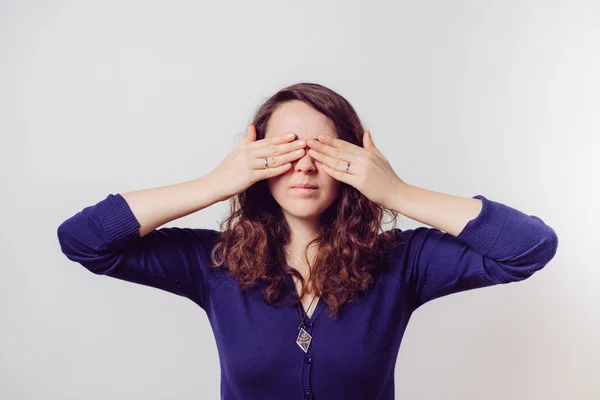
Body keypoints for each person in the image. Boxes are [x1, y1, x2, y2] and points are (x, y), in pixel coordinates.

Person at [57, 82, 559, 400]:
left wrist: (397, 192)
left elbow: (529, 247)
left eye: (323, 150)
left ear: (353, 162)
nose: (303, 165)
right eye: (283, 151)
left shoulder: (403, 262)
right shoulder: (215, 262)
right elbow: (84, 241)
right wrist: (214, 183)